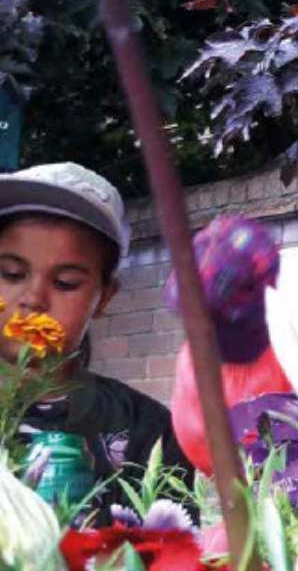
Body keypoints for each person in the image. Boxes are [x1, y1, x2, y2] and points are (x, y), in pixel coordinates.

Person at [0, 162, 192, 513]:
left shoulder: (145, 429)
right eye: (11, 273)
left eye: (66, 283)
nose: (34, 297)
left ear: (104, 297)